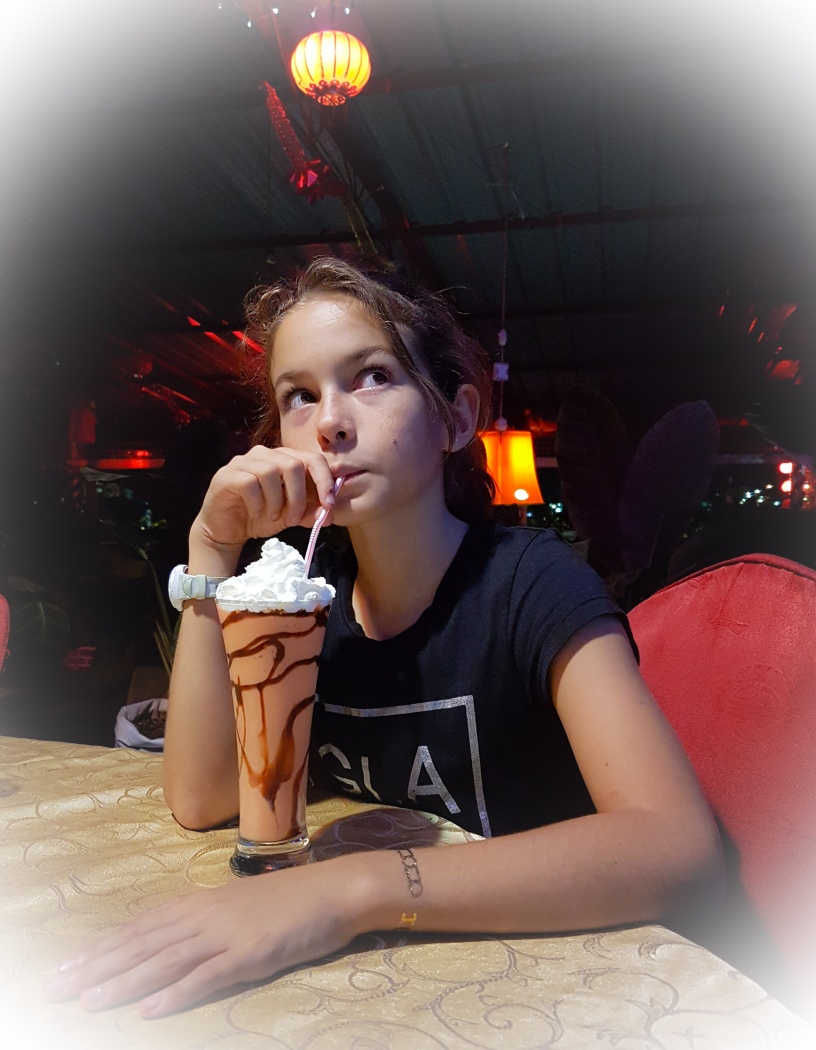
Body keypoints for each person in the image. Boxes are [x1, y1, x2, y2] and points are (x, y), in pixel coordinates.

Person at [46, 257, 723, 1018]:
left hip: (541, 985)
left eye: (372, 376)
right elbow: (203, 799)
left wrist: (348, 890)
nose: (330, 421)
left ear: (456, 420)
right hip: (373, 990)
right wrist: (210, 548)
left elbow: (676, 846)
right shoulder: (305, 599)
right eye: (299, 396)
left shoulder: (531, 584)